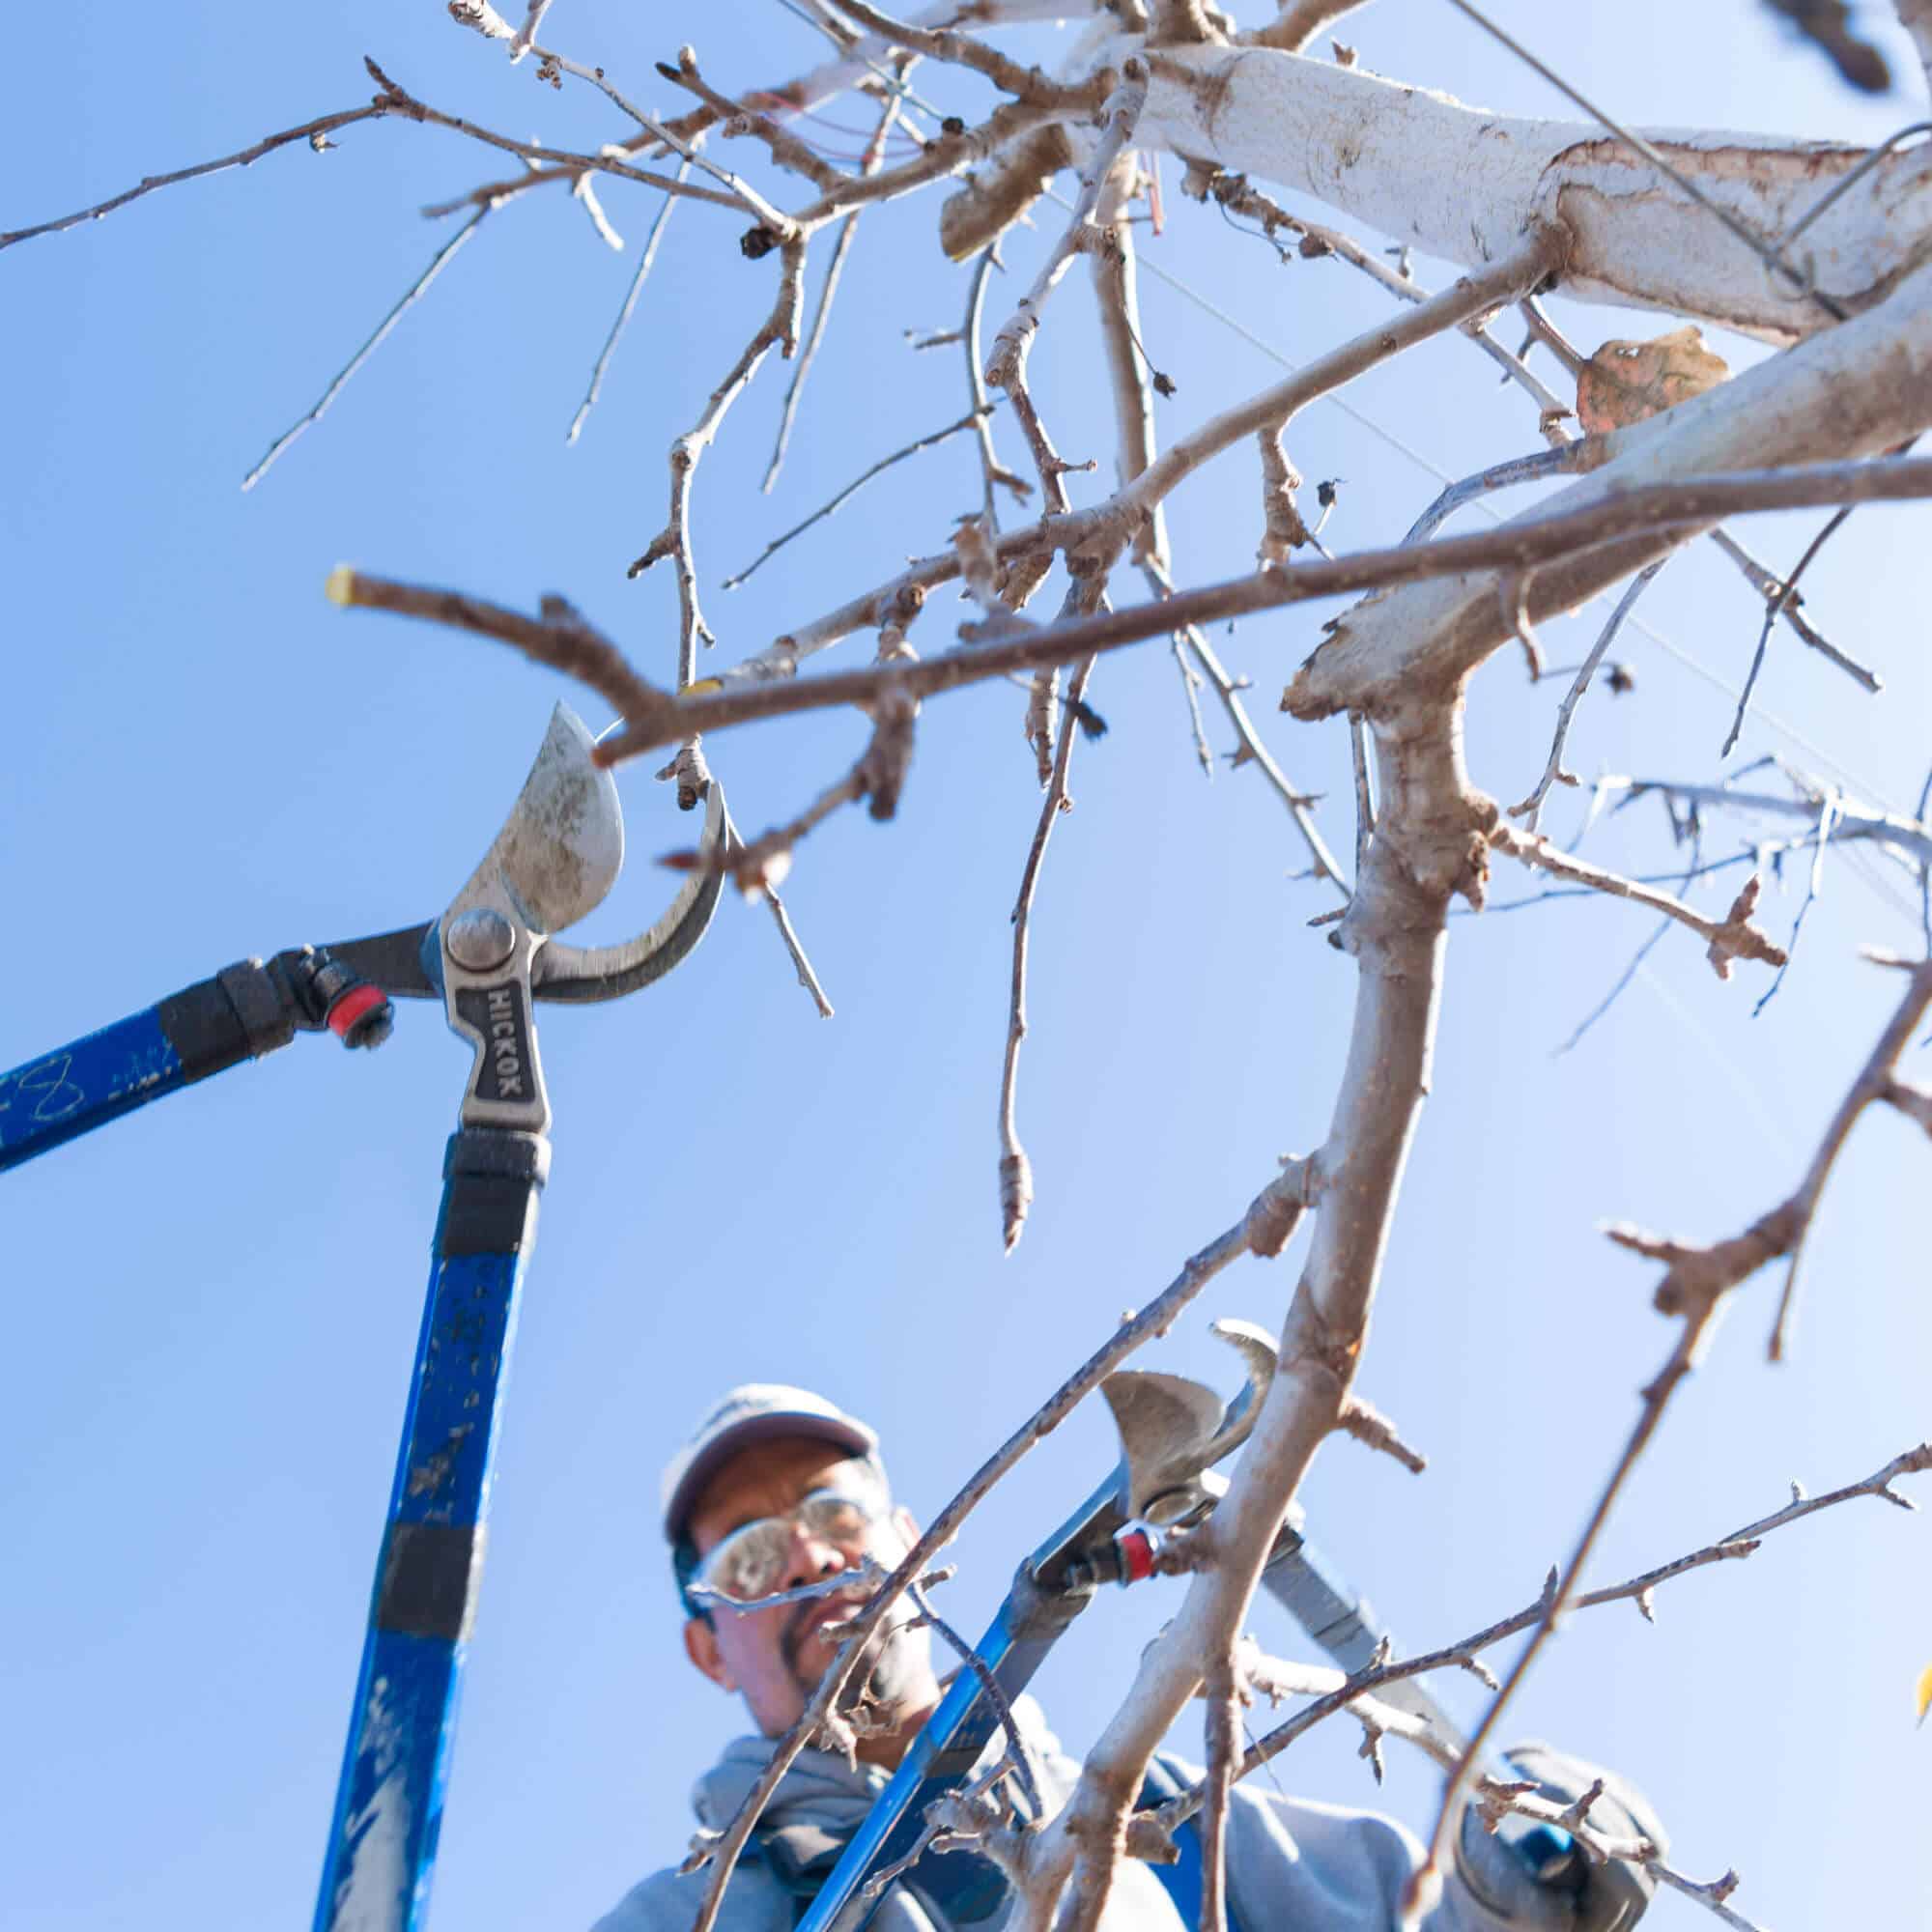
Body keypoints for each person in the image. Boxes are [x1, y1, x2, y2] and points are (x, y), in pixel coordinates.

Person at [592, 1386, 1662, 1932]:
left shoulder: (1158, 1811)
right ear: (708, 1648)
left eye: (836, 1512)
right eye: (750, 1556)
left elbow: (1425, 1916)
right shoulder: (696, 1914)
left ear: (916, 1540)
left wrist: (1532, 1853)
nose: (811, 1557)